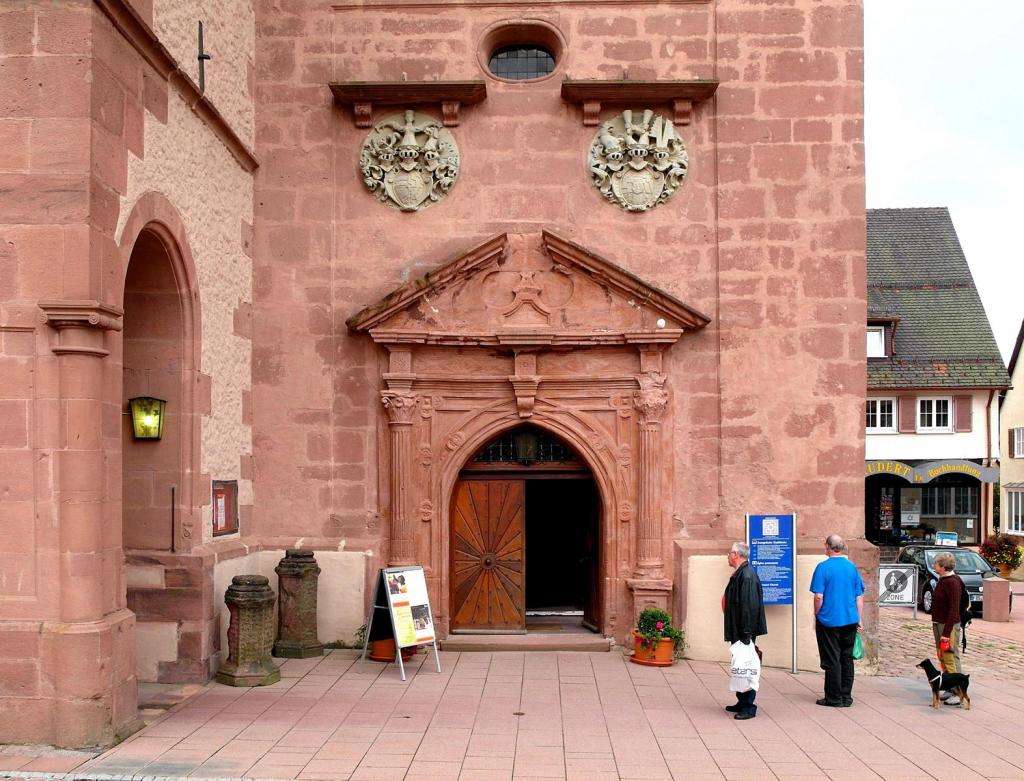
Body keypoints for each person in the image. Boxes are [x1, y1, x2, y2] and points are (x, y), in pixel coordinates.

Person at [809, 534, 864, 707]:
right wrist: (859, 619)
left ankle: (833, 697)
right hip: (850, 619)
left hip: (829, 619)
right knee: (847, 658)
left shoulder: (823, 567)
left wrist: (816, 614)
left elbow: (819, 596)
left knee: (832, 659)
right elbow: (859, 596)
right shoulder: (851, 567)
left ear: (828, 547)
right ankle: (846, 696)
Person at [723, 541, 767, 720]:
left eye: (729, 553)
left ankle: (749, 706)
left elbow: (748, 606)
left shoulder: (747, 576)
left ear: (736, 555)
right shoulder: (741, 573)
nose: (727, 556)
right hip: (740, 630)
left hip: (744, 632)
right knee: (739, 666)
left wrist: (746, 633)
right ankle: (741, 701)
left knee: (746, 667)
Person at [930, 552, 965, 704]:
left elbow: (954, 610)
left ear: (943, 567)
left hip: (948, 625)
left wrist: (946, 633)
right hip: (939, 622)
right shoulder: (943, 579)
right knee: (942, 656)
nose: (934, 566)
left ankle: (958, 692)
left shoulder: (953, 582)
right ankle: (950, 687)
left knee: (950, 656)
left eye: (936, 564)